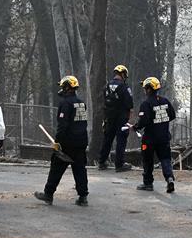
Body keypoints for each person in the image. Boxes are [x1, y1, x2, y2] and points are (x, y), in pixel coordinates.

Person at [35, 76, 89, 206]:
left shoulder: (65, 104)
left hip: (67, 144)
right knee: (80, 170)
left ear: (67, 87)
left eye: (62, 87)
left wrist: (58, 142)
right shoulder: (81, 103)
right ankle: (83, 197)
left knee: (56, 168)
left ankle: (48, 194)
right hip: (81, 142)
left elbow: (62, 125)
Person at [129, 76, 176, 193]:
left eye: (145, 88)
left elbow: (143, 121)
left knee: (148, 160)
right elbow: (172, 115)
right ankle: (169, 178)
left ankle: (148, 183)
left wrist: (134, 127)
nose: (144, 90)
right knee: (165, 159)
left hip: (150, 139)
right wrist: (161, 122)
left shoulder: (146, 104)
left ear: (149, 89)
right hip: (164, 137)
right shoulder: (165, 101)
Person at [98, 64, 135, 172]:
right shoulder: (124, 87)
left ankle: (101, 162)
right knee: (121, 140)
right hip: (121, 118)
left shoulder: (107, 86)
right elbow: (129, 103)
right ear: (123, 74)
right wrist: (129, 116)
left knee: (107, 139)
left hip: (109, 117)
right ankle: (119, 164)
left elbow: (104, 100)